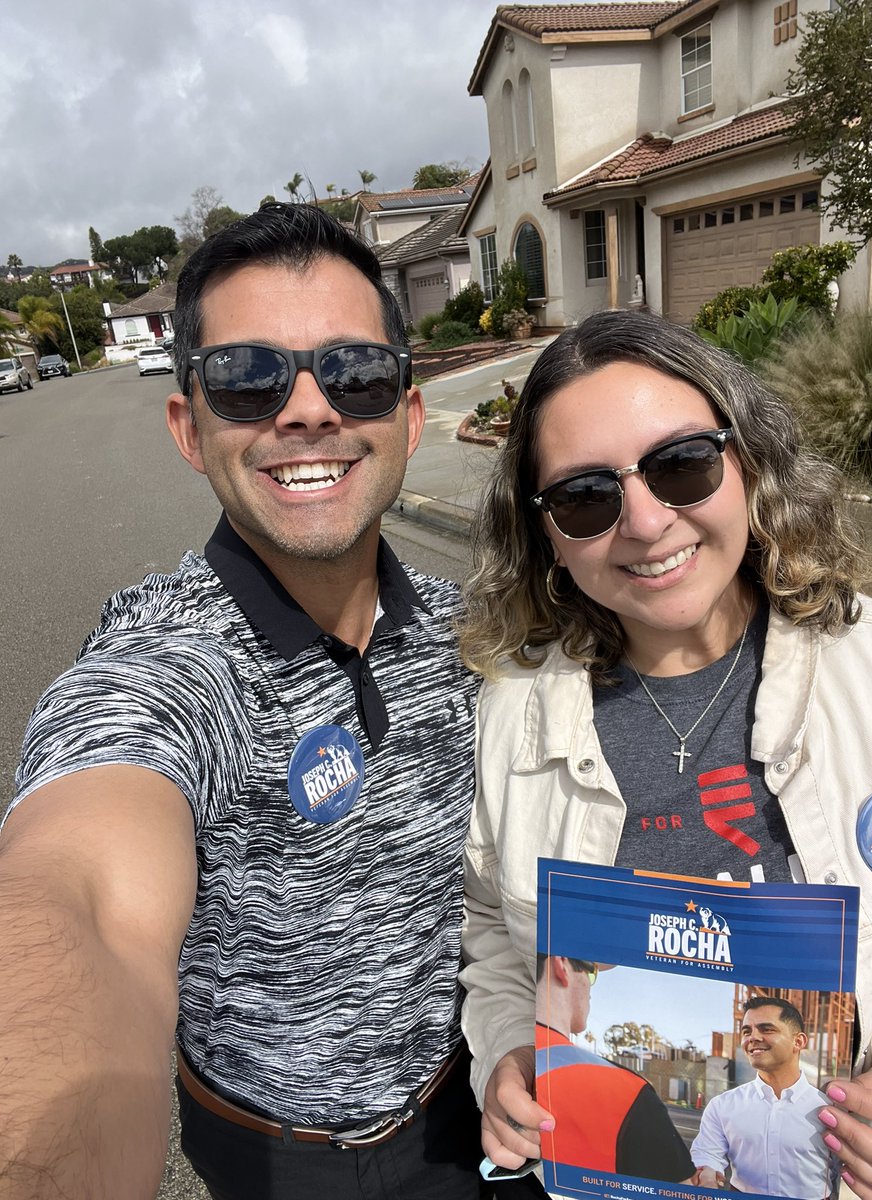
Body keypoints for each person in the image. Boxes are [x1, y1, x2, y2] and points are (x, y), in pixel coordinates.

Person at [0, 204, 486, 1200]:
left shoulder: (468, 630)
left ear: (407, 414)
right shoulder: (168, 660)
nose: (308, 410)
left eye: (355, 372)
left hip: (471, 1110)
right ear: (190, 425)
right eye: (249, 378)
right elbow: (80, 891)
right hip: (277, 1162)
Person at [457, 309, 872, 1200]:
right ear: (546, 532)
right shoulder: (511, 711)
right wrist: (506, 1053)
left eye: (682, 464)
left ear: (747, 463)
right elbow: (492, 935)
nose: (649, 523)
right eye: (587, 496)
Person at [535, 955, 693, 1182]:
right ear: (562, 965)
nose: (591, 987)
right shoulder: (629, 1094)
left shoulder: (491, 1060)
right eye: (592, 972)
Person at [690, 997, 838, 1197]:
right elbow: (708, 1152)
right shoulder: (722, 1106)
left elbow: (842, 1170)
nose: (752, 1037)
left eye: (766, 1029)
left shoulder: (829, 1110)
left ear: (798, 1041)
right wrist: (708, 1173)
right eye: (746, 1031)